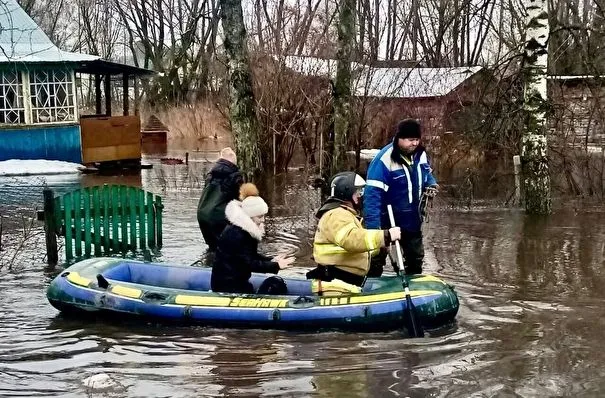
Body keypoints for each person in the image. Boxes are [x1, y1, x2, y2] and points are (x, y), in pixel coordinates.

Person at [364, 118, 438, 276]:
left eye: (417, 140)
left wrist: (431, 184)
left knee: (415, 259)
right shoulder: (384, 160)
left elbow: (426, 173)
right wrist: (373, 230)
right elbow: (372, 196)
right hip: (387, 219)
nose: (415, 144)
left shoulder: (421, 155)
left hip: (412, 219)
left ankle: (413, 288)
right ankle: (371, 288)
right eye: (411, 140)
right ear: (399, 138)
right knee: (375, 259)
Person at [307, 172, 401, 287]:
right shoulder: (338, 215)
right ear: (347, 193)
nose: (361, 196)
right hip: (337, 282)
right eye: (358, 192)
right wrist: (386, 236)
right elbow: (351, 239)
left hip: (343, 279)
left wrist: (378, 248)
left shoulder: (343, 214)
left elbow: (350, 249)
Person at [211, 183, 295, 294]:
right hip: (228, 286)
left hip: (235, 281)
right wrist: (276, 265)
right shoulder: (238, 235)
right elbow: (249, 263)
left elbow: (250, 256)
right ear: (249, 216)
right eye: (260, 217)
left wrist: (271, 260)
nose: (263, 220)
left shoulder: (242, 229)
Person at [197, 147, 243, 253]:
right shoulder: (235, 176)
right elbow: (240, 200)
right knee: (227, 250)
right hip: (219, 217)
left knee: (213, 248)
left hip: (202, 215)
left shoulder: (210, 174)